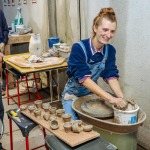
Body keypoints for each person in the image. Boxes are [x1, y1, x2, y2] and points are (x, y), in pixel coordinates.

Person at [61, 7, 127, 120]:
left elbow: (111, 75)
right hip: (73, 95)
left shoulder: (109, 50)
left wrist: (121, 97)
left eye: (112, 31)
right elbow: (85, 80)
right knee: (73, 124)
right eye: (105, 29)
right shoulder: (79, 48)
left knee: (111, 119)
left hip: (92, 94)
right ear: (95, 27)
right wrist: (111, 99)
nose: (109, 35)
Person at [0, 9, 9, 96]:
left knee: (2, 67)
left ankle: (3, 87)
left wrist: (4, 41)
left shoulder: (0, 12)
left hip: (0, 43)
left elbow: (5, 29)